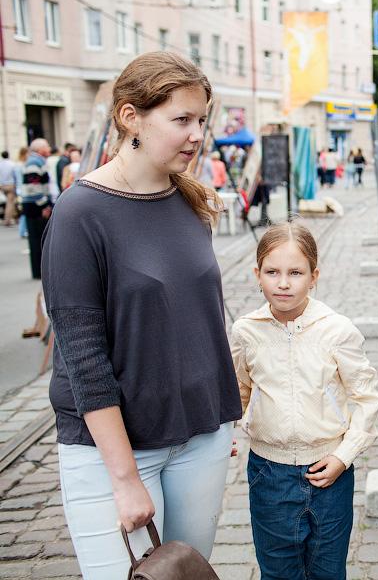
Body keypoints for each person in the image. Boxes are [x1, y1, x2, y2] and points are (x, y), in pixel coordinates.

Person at [41, 51, 242, 579]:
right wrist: (125, 477)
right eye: (181, 120)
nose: (197, 134)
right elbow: (83, 357)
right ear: (131, 116)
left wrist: (218, 416)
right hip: (116, 453)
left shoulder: (190, 200)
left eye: (202, 120)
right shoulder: (79, 213)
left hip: (200, 440)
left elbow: (199, 320)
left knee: (183, 575)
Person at [231, 220, 378, 579]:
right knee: (279, 572)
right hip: (269, 473)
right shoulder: (245, 332)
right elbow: (238, 392)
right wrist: (224, 435)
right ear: (257, 274)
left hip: (330, 472)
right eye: (272, 272)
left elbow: (366, 397)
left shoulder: (337, 329)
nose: (283, 283)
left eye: (295, 273)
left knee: (327, 571)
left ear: (314, 276)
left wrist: (343, 456)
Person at [21, 138, 53, 279]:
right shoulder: (34, 162)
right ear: (40, 149)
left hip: (33, 206)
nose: (49, 148)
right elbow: (34, 187)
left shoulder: (35, 161)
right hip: (36, 207)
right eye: (47, 146)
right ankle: (39, 271)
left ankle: (39, 270)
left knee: (37, 239)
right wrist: (44, 205)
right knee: (38, 239)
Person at [0, 151, 17, 226]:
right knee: (9, 203)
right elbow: (15, 176)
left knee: (7, 202)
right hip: (10, 185)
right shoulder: (12, 164)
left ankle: (10, 218)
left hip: (2, 185)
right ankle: (7, 220)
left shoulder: (0, 164)